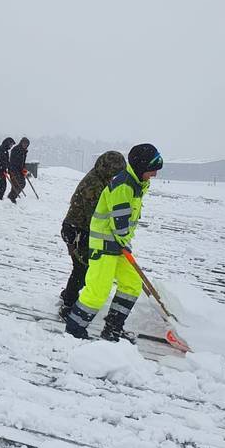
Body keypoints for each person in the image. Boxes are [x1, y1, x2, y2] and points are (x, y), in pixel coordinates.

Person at [65, 143, 163, 341]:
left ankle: (113, 328)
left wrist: (124, 242)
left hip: (117, 244)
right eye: (152, 170)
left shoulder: (136, 183)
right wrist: (124, 240)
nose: (154, 175)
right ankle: (74, 329)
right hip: (104, 244)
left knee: (131, 283)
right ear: (141, 167)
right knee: (98, 289)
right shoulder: (123, 186)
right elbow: (120, 225)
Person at [58, 151, 127, 318]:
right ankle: (68, 305)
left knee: (82, 268)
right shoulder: (94, 185)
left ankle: (68, 294)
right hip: (77, 231)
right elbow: (95, 217)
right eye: (115, 172)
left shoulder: (101, 178)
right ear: (107, 169)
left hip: (79, 229)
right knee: (81, 269)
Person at [7, 137, 30, 203]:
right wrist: (12, 170)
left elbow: (23, 162)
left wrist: (24, 169)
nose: (25, 145)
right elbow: (13, 161)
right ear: (21, 143)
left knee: (21, 183)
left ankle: (11, 196)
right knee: (18, 183)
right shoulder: (15, 149)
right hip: (13, 169)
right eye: (24, 143)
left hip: (20, 170)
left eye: (27, 144)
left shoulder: (24, 151)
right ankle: (12, 197)